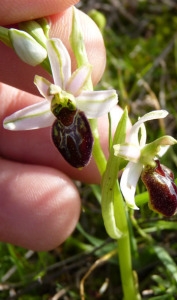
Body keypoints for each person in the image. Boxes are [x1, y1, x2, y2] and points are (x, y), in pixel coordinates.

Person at [0, 0, 124, 251]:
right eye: (56, 101)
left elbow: (108, 98)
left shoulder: (69, 94)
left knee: (102, 153)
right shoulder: (55, 100)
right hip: (70, 94)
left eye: (61, 102)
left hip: (75, 95)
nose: (60, 104)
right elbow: (14, 121)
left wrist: (66, 102)